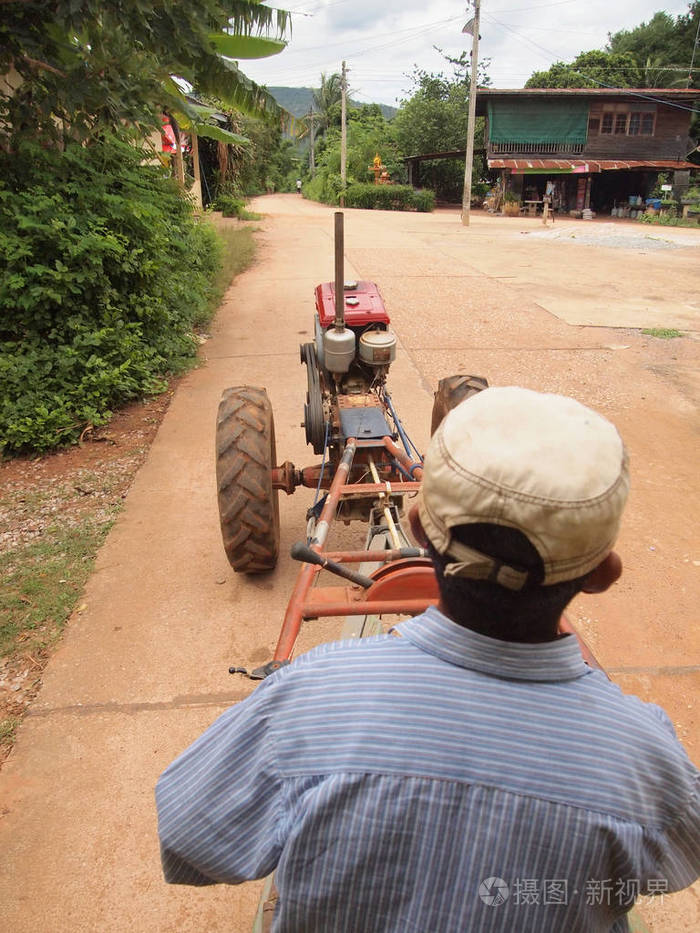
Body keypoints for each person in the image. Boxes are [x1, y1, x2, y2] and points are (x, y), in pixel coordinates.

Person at [156, 387, 700, 932]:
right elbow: (673, 866)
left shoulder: (305, 701)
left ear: (418, 528)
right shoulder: (646, 758)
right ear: (605, 575)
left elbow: (188, 838)